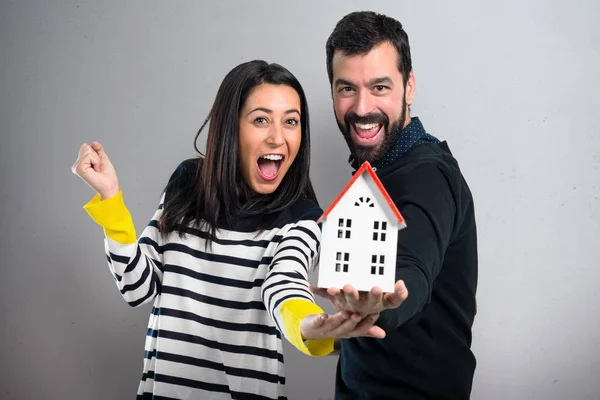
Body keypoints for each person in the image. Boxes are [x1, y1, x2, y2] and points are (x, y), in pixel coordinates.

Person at [71, 60, 383, 400]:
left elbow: (285, 286)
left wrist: (312, 328)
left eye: (291, 121)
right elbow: (136, 287)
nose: (278, 137)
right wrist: (110, 199)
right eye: (261, 120)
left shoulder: (302, 217)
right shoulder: (186, 184)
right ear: (231, 126)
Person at [311, 11, 479, 399]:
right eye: (346, 88)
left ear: (409, 87)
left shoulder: (427, 177)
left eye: (380, 87)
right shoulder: (379, 173)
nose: (362, 107)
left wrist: (381, 305)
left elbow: (413, 267)